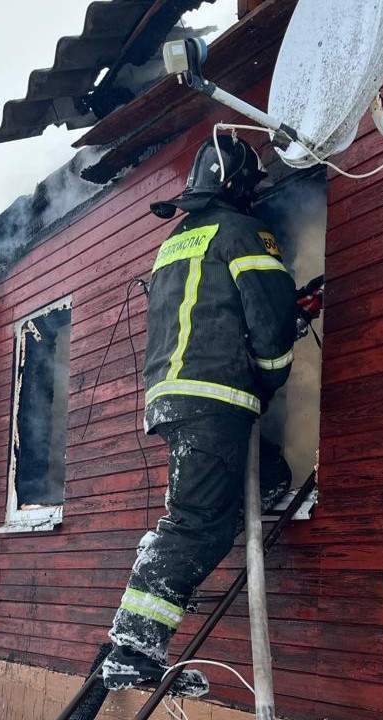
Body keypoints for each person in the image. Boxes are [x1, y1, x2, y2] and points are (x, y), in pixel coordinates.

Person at [101, 135, 298, 696]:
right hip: (215, 399)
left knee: (246, 487)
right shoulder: (242, 232)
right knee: (196, 524)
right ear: (237, 185)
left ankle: (266, 489)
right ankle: (133, 648)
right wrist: (273, 372)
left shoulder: (175, 241)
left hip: (174, 398)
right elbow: (269, 317)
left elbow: (208, 310)